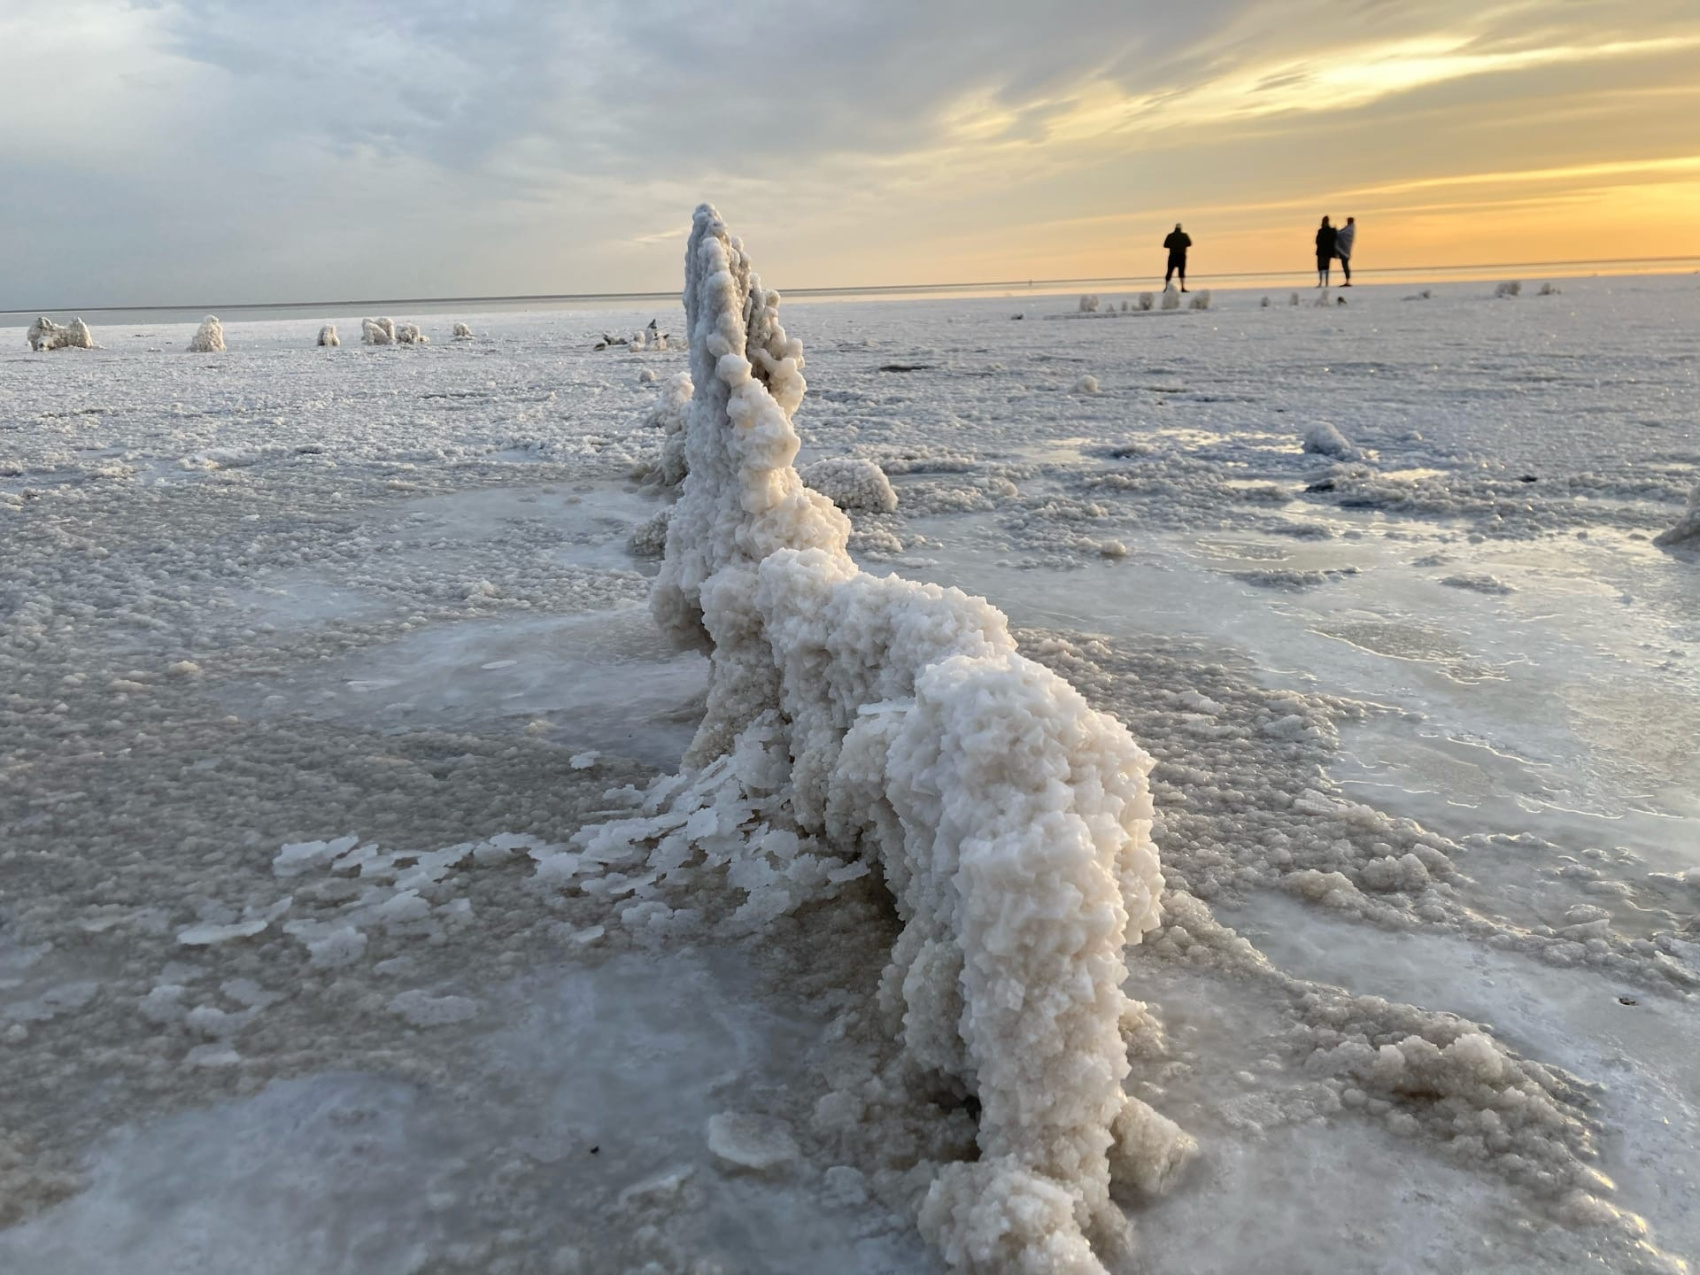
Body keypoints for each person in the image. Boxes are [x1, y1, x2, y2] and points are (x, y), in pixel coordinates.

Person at [1163, 223, 1192, 291]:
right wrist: (1182, 245)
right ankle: (1182, 287)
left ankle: (1166, 287)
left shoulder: (1170, 235)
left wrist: (1173, 245)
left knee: (1169, 271)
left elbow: (1165, 245)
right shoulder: (1184, 235)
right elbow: (1189, 243)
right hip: (1181, 255)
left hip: (1172, 255)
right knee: (1181, 272)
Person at [1335, 215, 1356, 285]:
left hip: (1346, 251)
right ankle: (1347, 280)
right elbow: (1341, 232)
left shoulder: (1350, 228)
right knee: (1345, 265)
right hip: (1345, 251)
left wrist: (1336, 232)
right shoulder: (1348, 227)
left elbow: (1343, 234)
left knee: (1345, 265)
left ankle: (1347, 280)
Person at [1315, 216, 1336, 287]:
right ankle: (1326, 282)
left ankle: (1321, 282)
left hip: (1322, 251)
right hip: (1327, 251)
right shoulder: (1331, 231)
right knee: (1326, 267)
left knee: (1321, 267)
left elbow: (1317, 241)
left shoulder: (1321, 231)